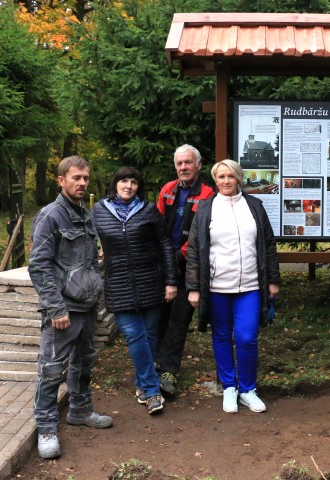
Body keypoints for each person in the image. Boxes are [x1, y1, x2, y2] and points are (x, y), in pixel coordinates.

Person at [28, 156, 112, 459]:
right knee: (51, 370)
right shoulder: (51, 216)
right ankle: (46, 428)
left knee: (84, 362)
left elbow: (88, 261)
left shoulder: (85, 215)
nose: (82, 183)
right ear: (61, 180)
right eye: (76, 178)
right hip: (63, 310)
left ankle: (80, 409)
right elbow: (39, 266)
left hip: (86, 306)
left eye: (86, 178)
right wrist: (56, 308)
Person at [186, 159, 280, 413]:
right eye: (220, 177)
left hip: (250, 286)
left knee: (247, 337)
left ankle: (248, 389)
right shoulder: (206, 209)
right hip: (216, 287)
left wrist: (272, 280)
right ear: (215, 180)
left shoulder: (255, 207)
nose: (225, 181)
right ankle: (229, 387)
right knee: (221, 336)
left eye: (230, 176)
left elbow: (268, 245)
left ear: (238, 178)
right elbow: (194, 250)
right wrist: (194, 287)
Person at [92, 167, 178, 415]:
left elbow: (165, 246)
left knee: (150, 335)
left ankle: (142, 384)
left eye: (133, 182)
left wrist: (171, 281)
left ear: (138, 187)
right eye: (123, 181)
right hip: (118, 285)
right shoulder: (99, 210)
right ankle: (152, 391)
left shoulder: (148, 210)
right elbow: (88, 241)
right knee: (134, 336)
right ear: (115, 184)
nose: (128, 186)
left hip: (151, 282)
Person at [154, 145, 214, 395]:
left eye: (188, 163)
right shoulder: (168, 189)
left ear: (198, 165)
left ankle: (169, 371)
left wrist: (178, 255)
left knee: (179, 319)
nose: (183, 168)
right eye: (179, 163)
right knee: (158, 317)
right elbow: (155, 224)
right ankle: (154, 365)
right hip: (162, 265)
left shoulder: (209, 194)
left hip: (189, 267)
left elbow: (205, 234)